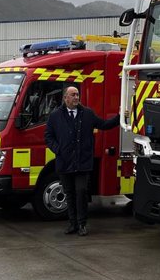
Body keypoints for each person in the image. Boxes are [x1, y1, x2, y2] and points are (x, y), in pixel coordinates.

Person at [44, 86, 119, 236]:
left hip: (82, 163)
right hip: (65, 163)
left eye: (77, 95)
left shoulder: (87, 114)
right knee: (69, 194)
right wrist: (58, 150)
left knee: (81, 192)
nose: (76, 97)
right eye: (73, 95)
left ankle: (82, 224)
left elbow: (104, 125)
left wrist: (120, 117)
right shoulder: (55, 116)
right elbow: (48, 136)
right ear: (65, 98)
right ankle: (72, 224)